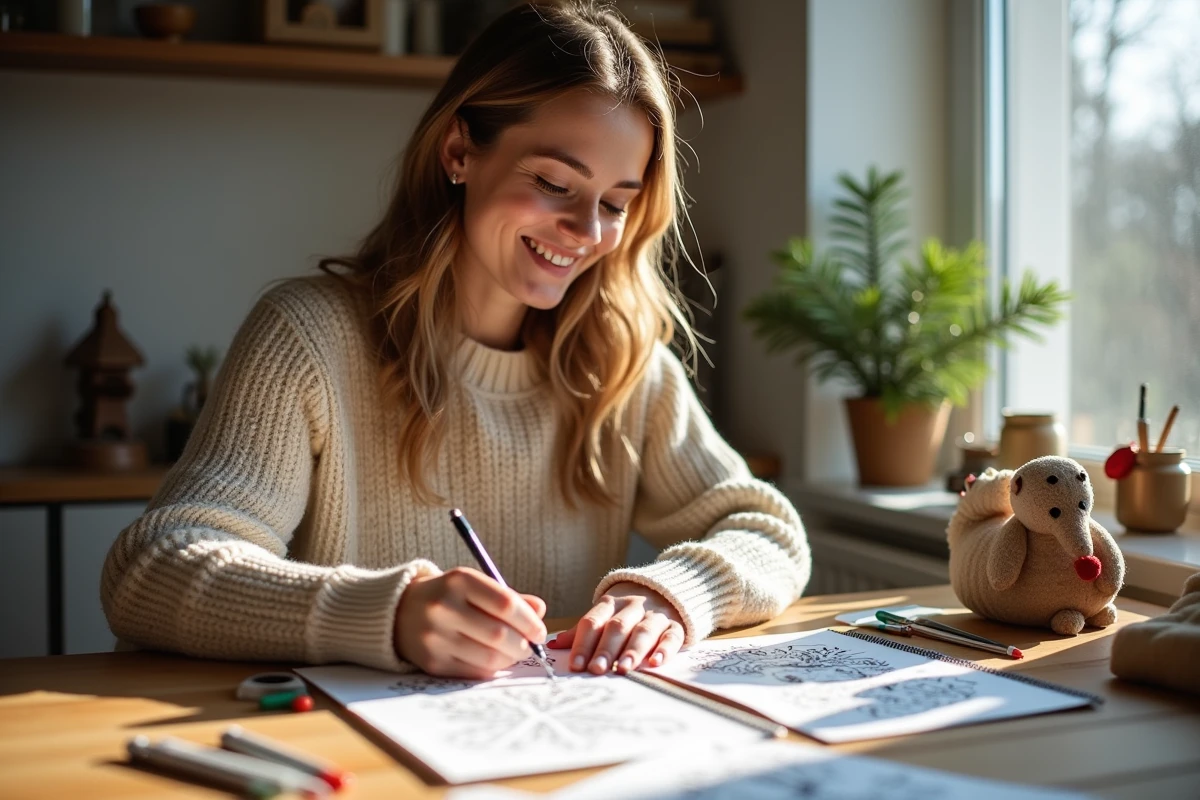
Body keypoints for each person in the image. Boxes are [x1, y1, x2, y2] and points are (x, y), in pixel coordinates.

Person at [101, 0, 810, 680]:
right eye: (554, 182)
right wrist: (390, 614)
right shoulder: (310, 336)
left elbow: (767, 531)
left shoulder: (622, 363)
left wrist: (673, 594)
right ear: (458, 151)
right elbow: (152, 570)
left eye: (617, 203)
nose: (588, 231)